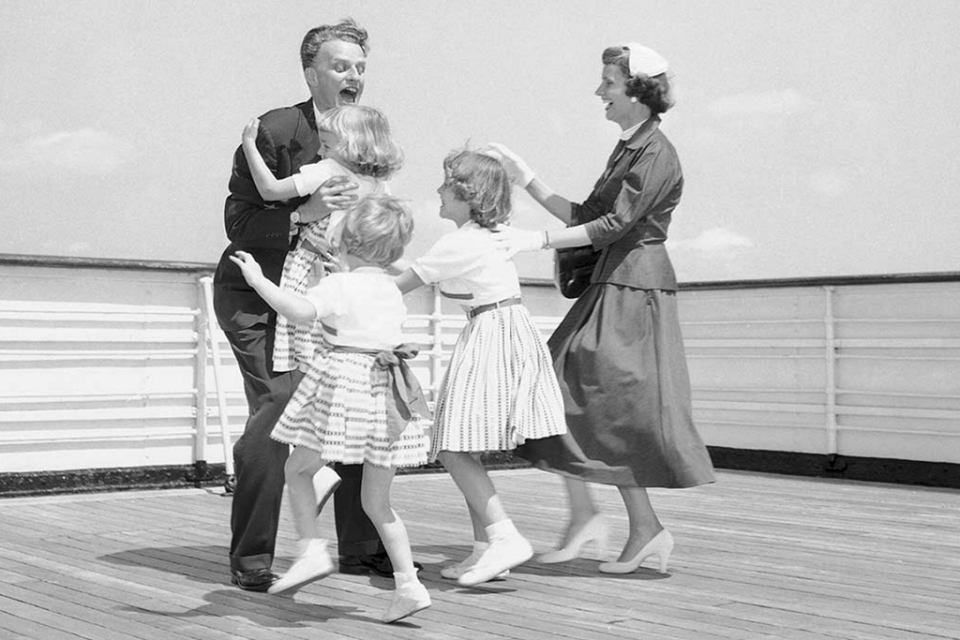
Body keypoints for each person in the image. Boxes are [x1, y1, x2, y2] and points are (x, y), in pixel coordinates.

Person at [485, 42, 715, 575]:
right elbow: (589, 213)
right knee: (552, 388)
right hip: (613, 284)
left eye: (608, 84)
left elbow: (617, 225)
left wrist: (534, 240)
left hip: (634, 289)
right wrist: (527, 179)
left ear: (638, 91)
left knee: (613, 408)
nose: (599, 93)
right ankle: (590, 516)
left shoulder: (657, 153)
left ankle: (641, 528)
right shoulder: (630, 146)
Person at [212, 19, 398, 593]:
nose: (353, 77)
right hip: (258, 293)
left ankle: (362, 549)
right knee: (276, 410)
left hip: (333, 299)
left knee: (354, 402)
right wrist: (304, 214)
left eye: (360, 68)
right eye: (341, 66)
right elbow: (239, 221)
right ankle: (253, 558)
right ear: (311, 71)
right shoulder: (276, 129)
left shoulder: (364, 137)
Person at [229, 195, 432, 623]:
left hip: (344, 387)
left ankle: (311, 550)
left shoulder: (339, 286)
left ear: (346, 240)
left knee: (297, 469)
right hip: (386, 397)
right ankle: (408, 584)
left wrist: (259, 281)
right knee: (379, 503)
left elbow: (300, 311)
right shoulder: (390, 290)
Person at [395, 149, 568, 587]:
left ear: (466, 195)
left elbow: (399, 285)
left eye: (445, 184)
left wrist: (345, 278)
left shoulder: (460, 242)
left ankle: (504, 535)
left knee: (452, 445)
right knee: (463, 443)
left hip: (491, 332)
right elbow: (422, 270)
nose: (437, 190)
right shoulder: (479, 237)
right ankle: (485, 551)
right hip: (503, 327)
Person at [241, 104, 402, 375]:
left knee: (304, 353)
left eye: (326, 145)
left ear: (351, 146)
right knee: (334, 350)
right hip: (348, 271)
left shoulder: (329, 170)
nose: (320, 152)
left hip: (310, 264)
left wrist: (249, 146)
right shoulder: (379, 186)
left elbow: (270, 190)